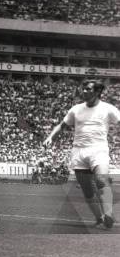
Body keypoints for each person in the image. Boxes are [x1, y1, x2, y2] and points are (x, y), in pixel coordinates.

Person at [44, 80, 119, 229]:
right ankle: (99, 218)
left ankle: (109, 214)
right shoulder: (76, 109)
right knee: (87, 189)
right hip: (78, 152)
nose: (84, 91)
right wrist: (50, 137)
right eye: (83, 88)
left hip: (98, 149)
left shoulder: (108, 108)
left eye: (88, 89)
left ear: (97, 92)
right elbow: (62, 125)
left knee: (101, 180)